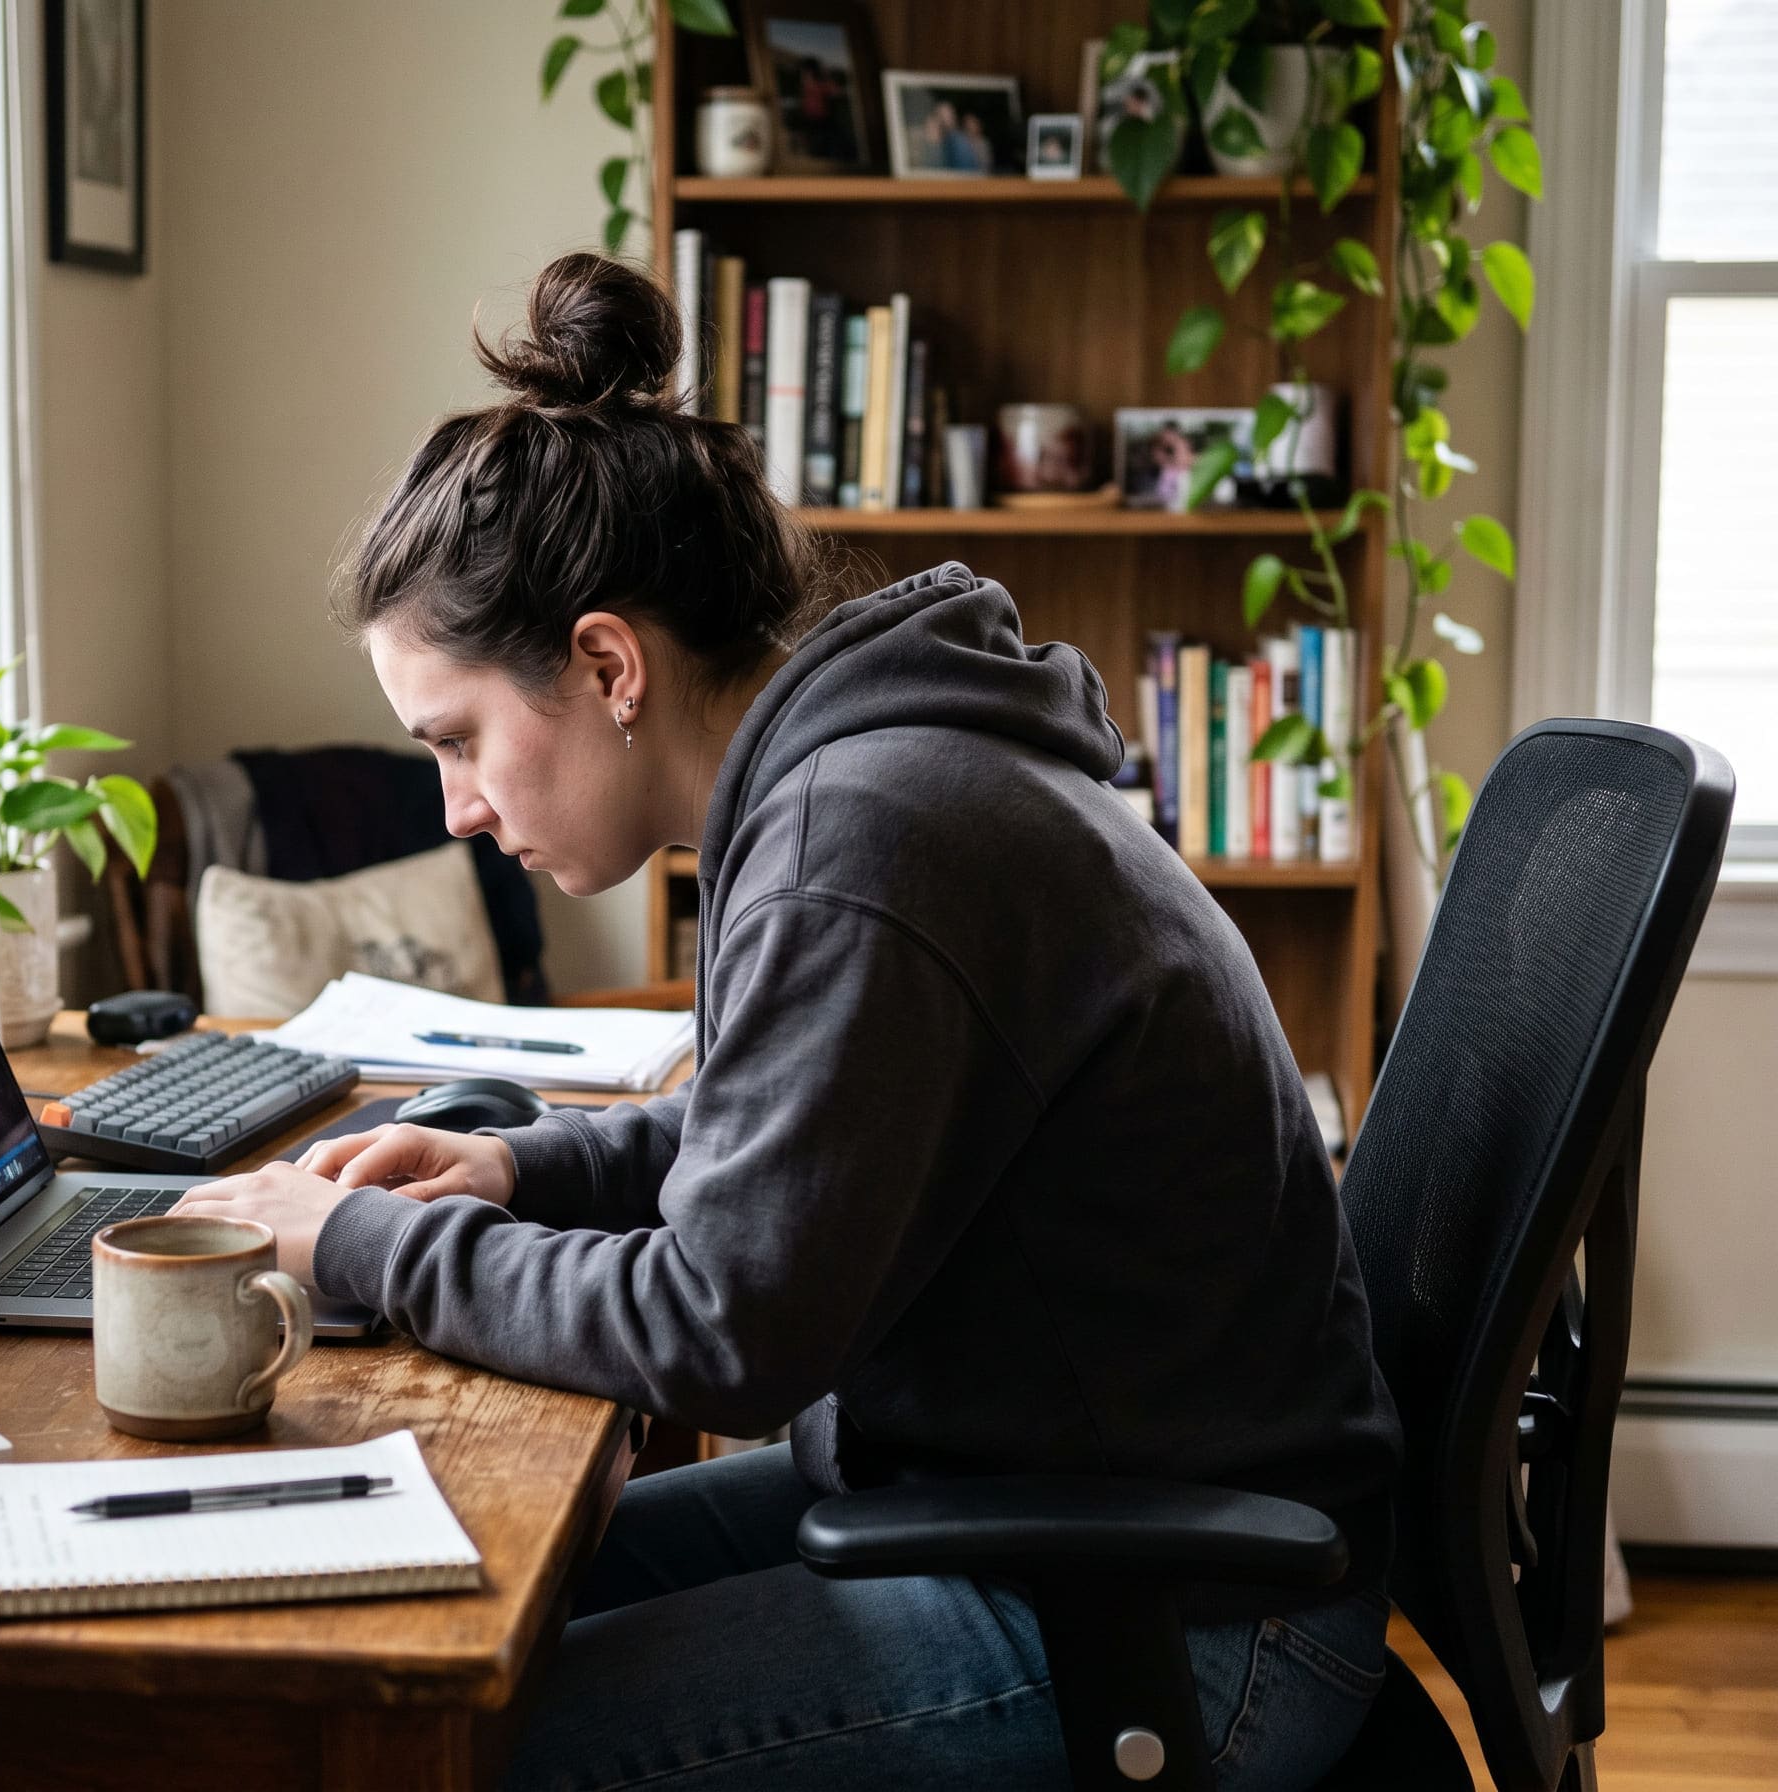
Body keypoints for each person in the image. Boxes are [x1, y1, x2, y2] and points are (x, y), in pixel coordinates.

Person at [182, 251, 1402, 1790]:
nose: (461, 808)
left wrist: (353, 1245)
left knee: (465, 1749)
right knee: (437, 1629)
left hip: (1179, 1621)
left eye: (460, 740)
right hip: (1058, 1506)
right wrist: (518, 1172)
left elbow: (720, 1330)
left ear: (607, 663)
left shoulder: (860, 839)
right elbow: (804, 1123)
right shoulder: (863, 776)